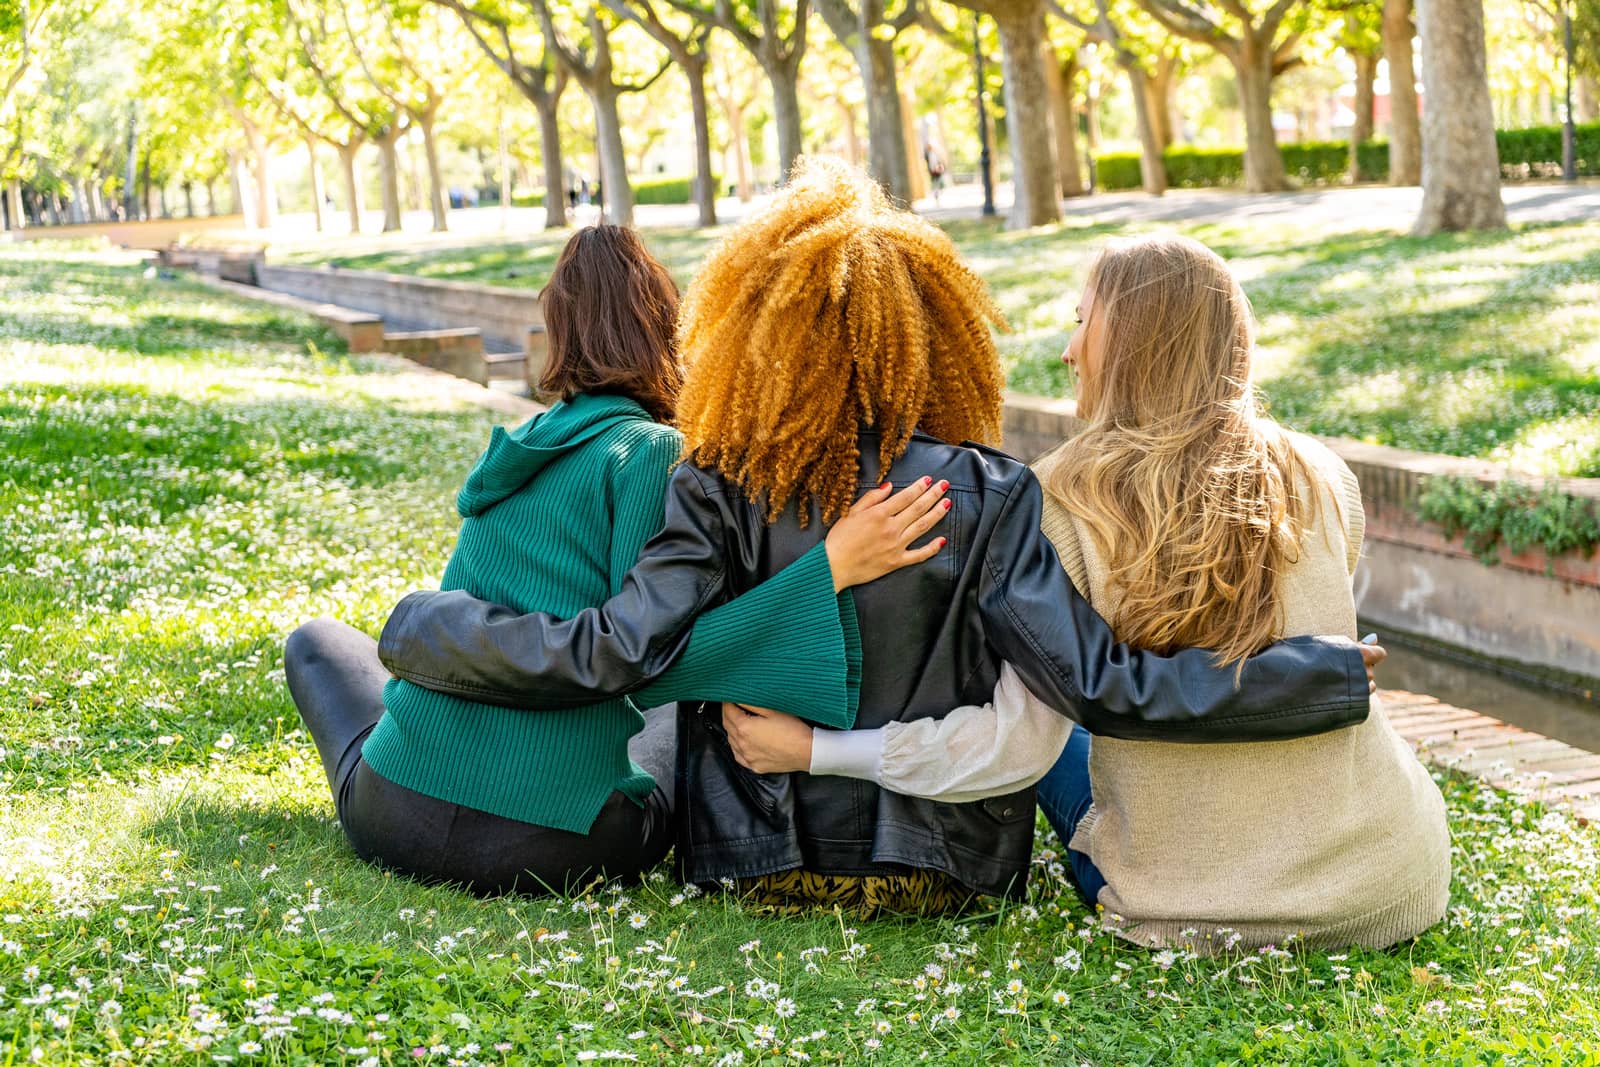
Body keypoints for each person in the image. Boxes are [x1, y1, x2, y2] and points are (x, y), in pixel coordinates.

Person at [376, 159, 1379, 915]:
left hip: (748, 864)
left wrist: (429, 627)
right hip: (944, 875)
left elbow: (644, 652)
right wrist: (1320, 672)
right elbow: (1090, 687)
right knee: (1044, 705)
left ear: (753, 325)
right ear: (937, 328)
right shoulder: (990, 489)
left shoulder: (712, 479)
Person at [728, 235, 1447, 951]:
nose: (1069, 350)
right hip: (1388, 875)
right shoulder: (1323, 474)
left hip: (1191, 908)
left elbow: (1010, 752)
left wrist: (815, 749)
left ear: (1132, 342)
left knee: (1051, 722)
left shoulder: (1057, 503)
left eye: (1082, 321)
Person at [283, 224, 950, 896]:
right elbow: (656, 657)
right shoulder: (650, 452)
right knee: (676, 697)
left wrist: (426, 628)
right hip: (552, 843)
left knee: (317, 641)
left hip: (389, 810)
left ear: (558, 330)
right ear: (668, 327)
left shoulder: (517, 449)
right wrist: (829, 568)